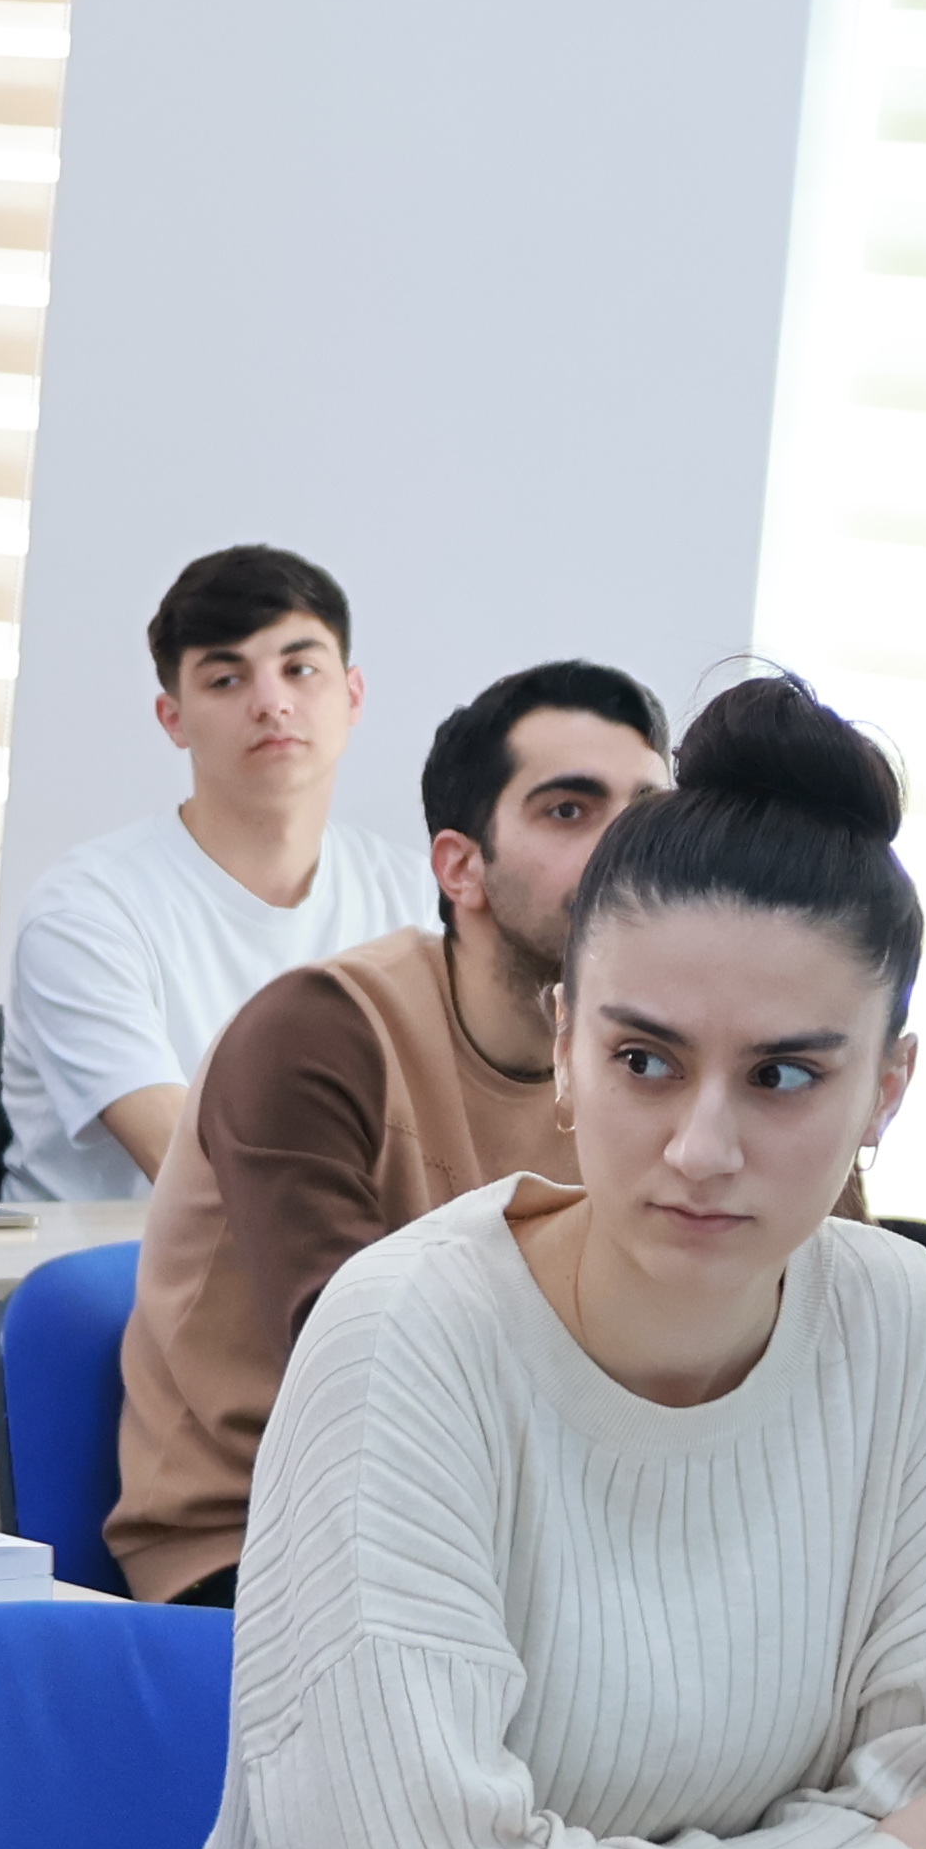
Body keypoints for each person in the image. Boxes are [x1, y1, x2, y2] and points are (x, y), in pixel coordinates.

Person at [174, 673, 926, 1849]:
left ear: (887, 1090)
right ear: (566, 1049)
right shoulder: (409, 1338)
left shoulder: (909, 1327)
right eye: (645, 1061)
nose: (702, 1147)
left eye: (784, 1076)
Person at [110, 659, 671, 1607]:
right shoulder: (317, 1032)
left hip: (534, 1532)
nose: (625, 851)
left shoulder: (652, 1057)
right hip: (268, 1547)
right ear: (460, 867)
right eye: (570, 811)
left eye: (647, 815)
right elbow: (366, 1375)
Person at [0, 545, 434, 1205]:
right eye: (227, 680)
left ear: (352, 695)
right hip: (117, 1265)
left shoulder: (419, 900)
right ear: (173, 719)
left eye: (300, 669)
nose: (272, 703)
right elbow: (194, 1170)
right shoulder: (85, 911)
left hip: (349, 1257)